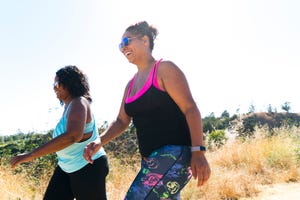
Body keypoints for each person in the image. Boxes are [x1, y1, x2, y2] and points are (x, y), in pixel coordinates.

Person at [84, 21, 211, 200]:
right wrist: (99, 142)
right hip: (152, 161)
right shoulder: (130, 85)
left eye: (126, 41)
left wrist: (199, 151)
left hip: (175, 154)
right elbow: (121, 121)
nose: (123, 47)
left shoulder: (164, 69)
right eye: (120, 45)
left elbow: (190, 108)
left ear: (145, 40)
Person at [10, 66, 109, 200]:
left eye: (57, 84)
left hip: (87, 167)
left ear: (69, 83)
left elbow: (73, 136)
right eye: (53, 84)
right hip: (65, 168)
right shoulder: (69, 107)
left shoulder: (79, 102)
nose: (54, 88)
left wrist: (30, 155)